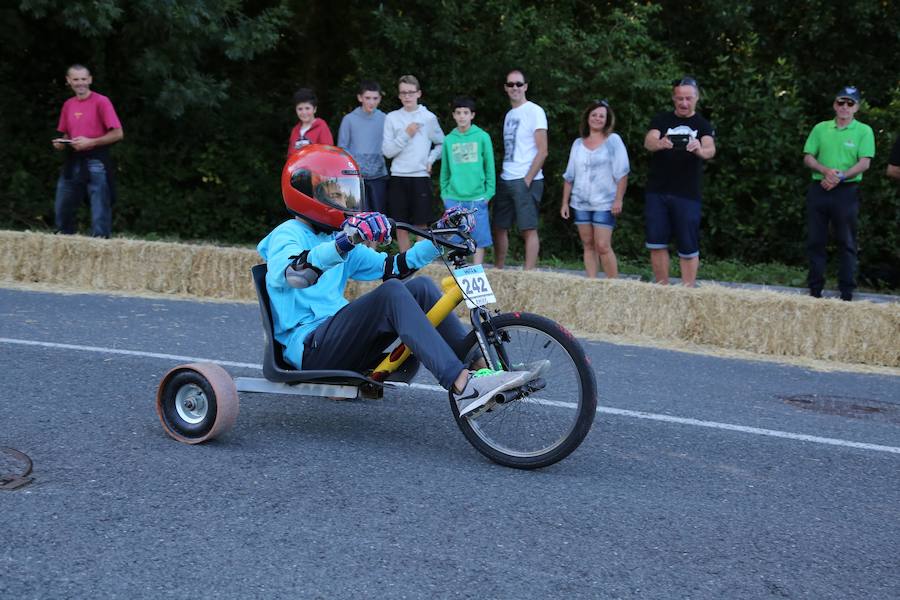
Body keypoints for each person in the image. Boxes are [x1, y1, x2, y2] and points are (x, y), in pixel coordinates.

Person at [257, 145, 533, 417]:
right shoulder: (287, 235)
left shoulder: (332, 236)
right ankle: (463, 384)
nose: (346, 201)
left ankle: (485, 369)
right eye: (336, 193)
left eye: (348, 193)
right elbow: (294, 275)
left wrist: (438, 237)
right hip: (310, 349)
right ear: (306, 193)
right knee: (391, 294)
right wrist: (345, 241)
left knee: (421, 288)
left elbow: (393, 268)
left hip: (339, 341)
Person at [802, 86, 875, 301]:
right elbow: (808, 157)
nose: (844, 107)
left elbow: (865, 163)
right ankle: (814, 291)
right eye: (841, 102)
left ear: (857, 108)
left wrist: (840, 176)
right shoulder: (821, 128)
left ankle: (846, 293)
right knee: (816, 240)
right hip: (820, 188)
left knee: (846, 242)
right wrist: (826, 171)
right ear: (835, 104)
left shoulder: (864, 131)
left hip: (846, 191)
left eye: (850, 103)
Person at [642, 76, 716, 287]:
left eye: (688, 98)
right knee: (656, 243)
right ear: (673, 98)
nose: (684, 103)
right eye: (680, 98)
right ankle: (663, 288)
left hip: (687, 193)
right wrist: (660, 143)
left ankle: (687, 290)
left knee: (688, 245)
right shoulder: (661, 120)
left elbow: (711, 149)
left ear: (697, 98)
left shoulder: (702, 125)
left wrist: (700, 150)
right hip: (657, 190)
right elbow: (649, 141)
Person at [51, 64, 123, 238]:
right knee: (62, 208)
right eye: (76, 79)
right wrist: (62, 142)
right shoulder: (68, 105)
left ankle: (100, 245)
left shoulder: (101, 101)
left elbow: (118, 133)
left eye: (83, 79)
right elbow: (67, 132)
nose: (80, 83)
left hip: (96, 161)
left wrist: (92, 141)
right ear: (69, 81)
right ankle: (64, 242)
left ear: (90, 79)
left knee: (99, 210)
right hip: (73, 160)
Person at [560, 100, 629, 278]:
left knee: (603, 245)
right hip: (580, 203)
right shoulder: (578, 144)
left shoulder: (613, 141)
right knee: (588, 244)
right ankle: (592, 284)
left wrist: (618, 199)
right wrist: (565, 203)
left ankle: (613, 286)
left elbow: (622, 173)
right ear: (588, 117)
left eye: (601, 116)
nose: (597, 119)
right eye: (594, 115)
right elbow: (569, 176)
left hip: (605, 203)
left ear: (607, 120)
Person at [382, 75, 445, 251]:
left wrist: (430, 159)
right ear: (399, 95)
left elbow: (442, 143)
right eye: (403, 93)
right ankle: (404, 264)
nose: (407, 96)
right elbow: (387, 152)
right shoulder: (392, 118)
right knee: (400, 226)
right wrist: (406, 134)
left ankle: (418, 263)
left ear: (419, 93)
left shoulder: (428, 118)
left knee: (421, 225)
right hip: (398, 176)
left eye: (411, 92)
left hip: (420, 176)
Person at [493, 68, 548, 270]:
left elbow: (543, 150)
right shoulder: (509, 115)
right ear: (506, 88)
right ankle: (499, 270)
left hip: (526, 178)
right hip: (506, 176)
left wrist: (528, 178)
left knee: (528, 228)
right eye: (510, 84)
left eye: (518, 84)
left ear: (525, 86)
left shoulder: (535, 111)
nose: (514, 87)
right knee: (499, 226)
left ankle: (528, 274)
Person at [439, 96, 496, 265]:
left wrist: (488, 193)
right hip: (454, 197)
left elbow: (490, 167)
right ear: (454, 115)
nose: (462, 116)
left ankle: (477, 271)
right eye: (458, 113)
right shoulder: (449, 139)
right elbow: (445, 170)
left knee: (479, 238)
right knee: (456, 238)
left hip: (477, 197)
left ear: (472, 115)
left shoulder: (482, 137)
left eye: (465, 112)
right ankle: (460, 272)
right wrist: (444, 194)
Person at [337, 80, 390, 213]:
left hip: (379, 175)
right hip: (356, 177)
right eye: (367, 98)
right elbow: (342, 148)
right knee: (359, 214)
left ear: (380, 99)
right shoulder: (349, 119)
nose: (371, 102)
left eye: (375, 98)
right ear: (360, 98)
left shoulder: (386, 118)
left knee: (379, 213)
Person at [287, 88, 333, 156]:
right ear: (296, 110)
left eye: (307, 108)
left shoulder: (321, 127)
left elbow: (328, 153)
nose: (304, 112)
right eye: (300, 109)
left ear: (314, 109)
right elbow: (290, 156)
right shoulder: (295, 130)